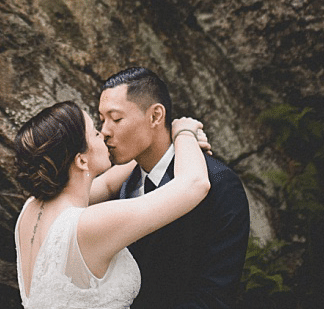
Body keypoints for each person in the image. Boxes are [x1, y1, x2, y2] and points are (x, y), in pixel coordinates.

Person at [14, 100, 212, 309]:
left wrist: (155, 139)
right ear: (81, 161)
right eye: (95, 134)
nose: (104, 134)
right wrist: (184, 132)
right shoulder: (87, 225)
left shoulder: (31, 209)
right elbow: (194, 184)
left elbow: (108, 185)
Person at [99, 67, 250, 309]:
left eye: (116, 119)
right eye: (102, 119)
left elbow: (214, 296)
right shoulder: (118, 186)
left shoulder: (219, 183)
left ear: (156, 116)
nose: (105, 131)